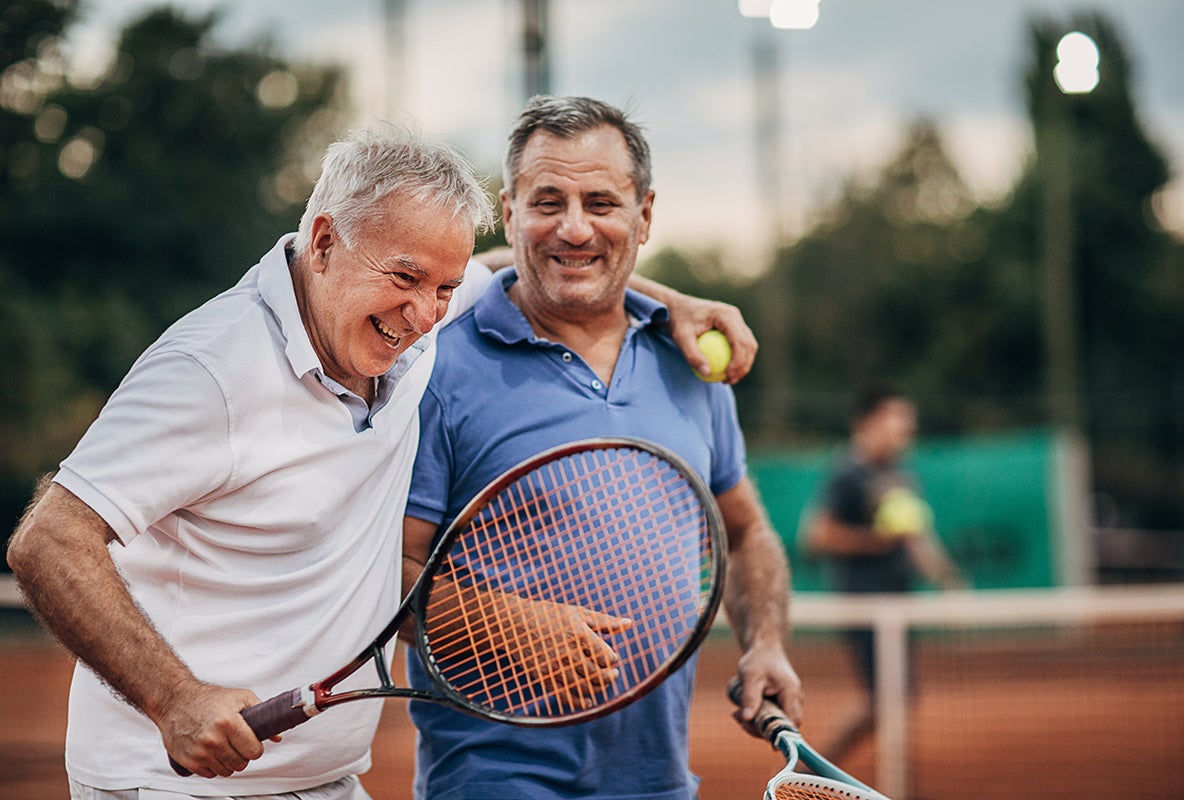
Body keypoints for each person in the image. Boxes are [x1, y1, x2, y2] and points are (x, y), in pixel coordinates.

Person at [6, 123, 758, 800]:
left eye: (441, 287)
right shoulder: (211, 369)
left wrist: (676, 302)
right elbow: (48, 539)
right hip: (173, 785)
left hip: (323, 778)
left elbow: (526, 267)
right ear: (325, 241)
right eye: (404, 279)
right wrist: (171, 697)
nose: (425, 312)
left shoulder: (408, 320)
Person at [401, 95, 803, 800]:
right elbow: (385, 573)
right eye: (548, 201)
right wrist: (508, 626)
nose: (575, 227)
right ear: (510, 212)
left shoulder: (694, 365)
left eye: (601, 202)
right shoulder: (436, 369)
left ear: (644, 216)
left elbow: (745, 532)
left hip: (656, 778)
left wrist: (764, 641)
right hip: (495, 778)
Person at [803, 384, 965, 762]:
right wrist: (878, 541)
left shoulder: (899, 472)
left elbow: (914, 538)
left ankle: (826, 770)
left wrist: (945, 579)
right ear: (870, 422)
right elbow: (818, 536)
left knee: (895, 698)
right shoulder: (847, 471)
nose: (905, 432)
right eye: (898, 423)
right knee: (888, 698)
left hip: (899, 601)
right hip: (864, 603)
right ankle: (815, 770)